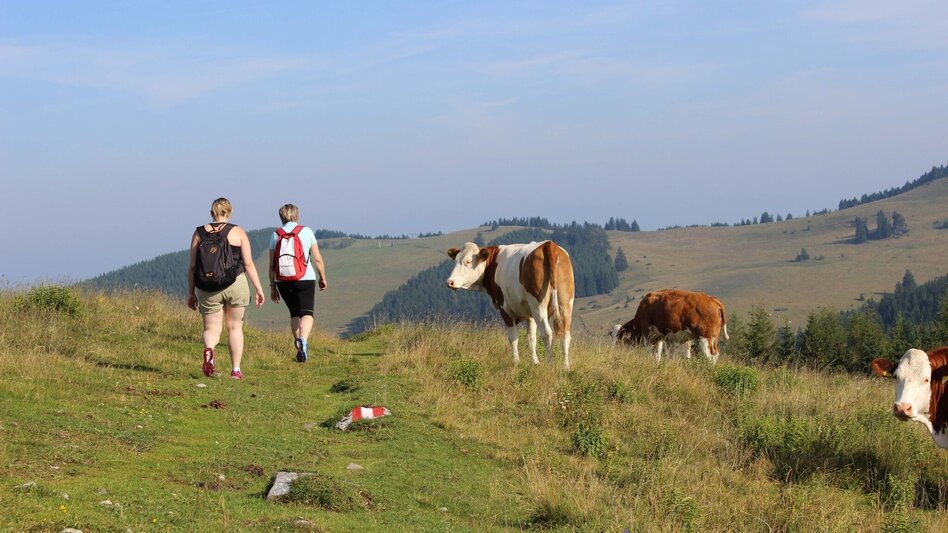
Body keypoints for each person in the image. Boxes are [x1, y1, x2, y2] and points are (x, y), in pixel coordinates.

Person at [187, 198, 265, 379]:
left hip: (207, 286)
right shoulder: (237, 232)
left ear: (212, 212)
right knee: (235, 327)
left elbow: (192, 266)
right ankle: (236, 370)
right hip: (236, 283)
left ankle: (209, 350)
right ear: (228, 212)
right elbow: (248, 263)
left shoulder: (199, 233)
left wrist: (191, 293)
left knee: (211, 328)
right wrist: (259, 289)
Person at [268, 203, 328, 362]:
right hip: (305, 278)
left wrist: (272, 286)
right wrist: (322, 277)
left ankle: (298, 349)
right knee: (307, 313)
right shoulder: (306, 231)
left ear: (281, 216)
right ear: (297, 215)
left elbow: (271, 265)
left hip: (282, 280)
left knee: (294, 313)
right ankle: (303, 340)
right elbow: (317, 258)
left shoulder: (275, 235)